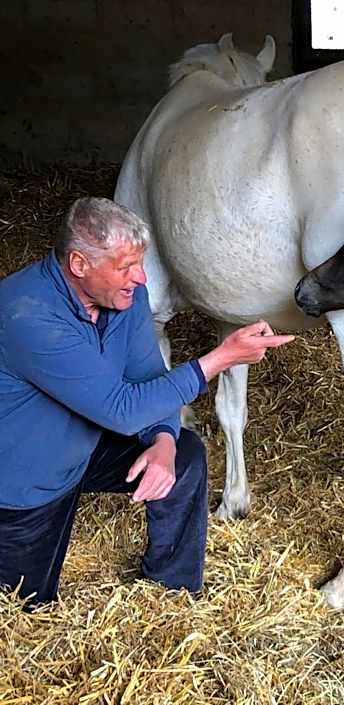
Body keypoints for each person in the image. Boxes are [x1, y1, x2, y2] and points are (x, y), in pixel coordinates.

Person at [0, 196, 294, 607]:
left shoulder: (123, 296)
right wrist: (219, 359)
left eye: (140, 262)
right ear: (79, 264)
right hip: (24, 480)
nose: (140, 278)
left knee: (186, 454)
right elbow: (122, 409)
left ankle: (171, 595)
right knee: (26, 606)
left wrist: (163, 442)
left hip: (83, 445)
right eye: (125, 267)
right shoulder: (25, 313)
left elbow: (148, 378)